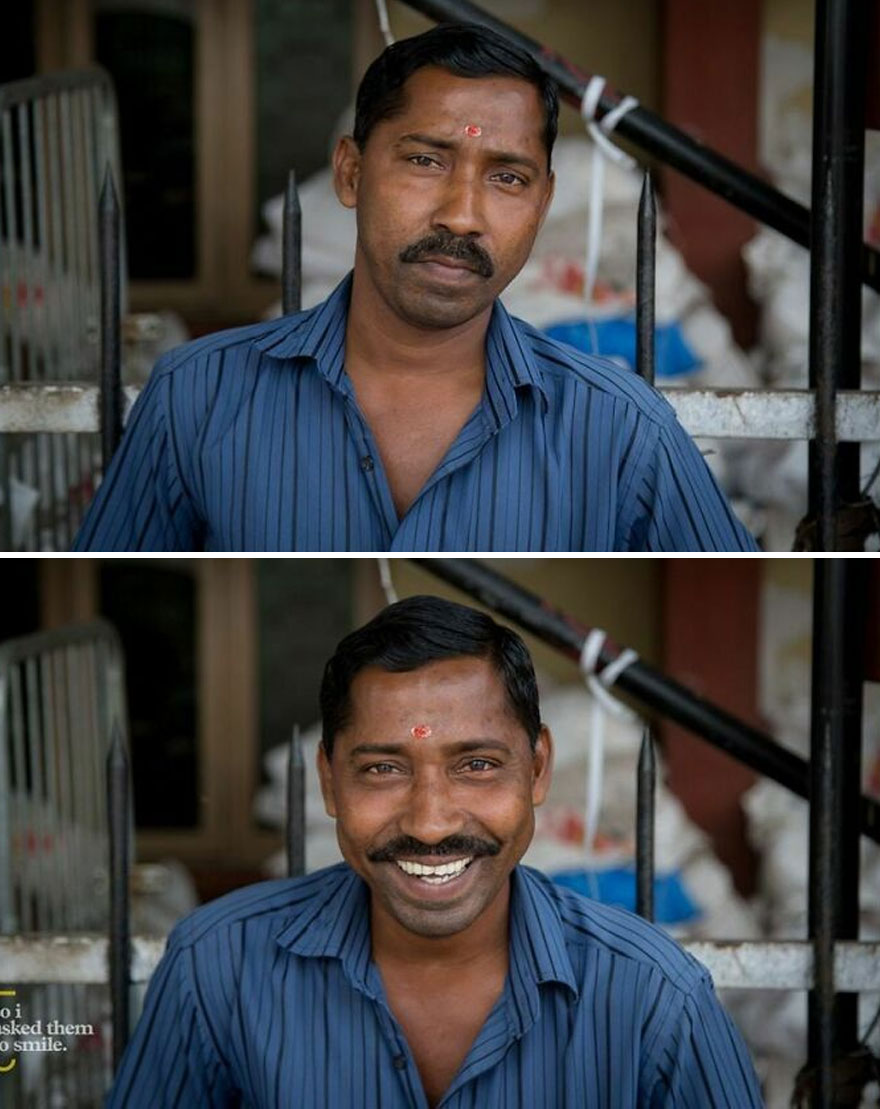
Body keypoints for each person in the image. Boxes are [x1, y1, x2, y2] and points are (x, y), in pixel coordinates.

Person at [74, 22, 756, 552]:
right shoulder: (195, 395)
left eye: (508, 177)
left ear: (543, 207)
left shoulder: (625, 430)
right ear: (350, 173)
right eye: (427, 160)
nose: (462, 213)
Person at [108, 595, 763, 1108]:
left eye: (476, 763)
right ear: (329, 781)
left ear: (537, 770)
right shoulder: (215, 966)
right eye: (383, 769)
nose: (428, 823)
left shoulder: (654, 994)